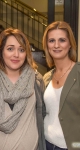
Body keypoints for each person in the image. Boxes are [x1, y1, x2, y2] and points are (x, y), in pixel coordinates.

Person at [0, 28, 46, 150]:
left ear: (27, 53)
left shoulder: (36, 80)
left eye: (21, 50)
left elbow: (42, 114)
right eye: (10, 49)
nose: (16, 55)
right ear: (1, 51)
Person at [42, 21, 80, 150]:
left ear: (70, 44)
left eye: (62, 40)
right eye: (51, 40)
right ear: (47, 45)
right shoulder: (46, 77)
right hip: (46, 143)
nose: (56, 45)